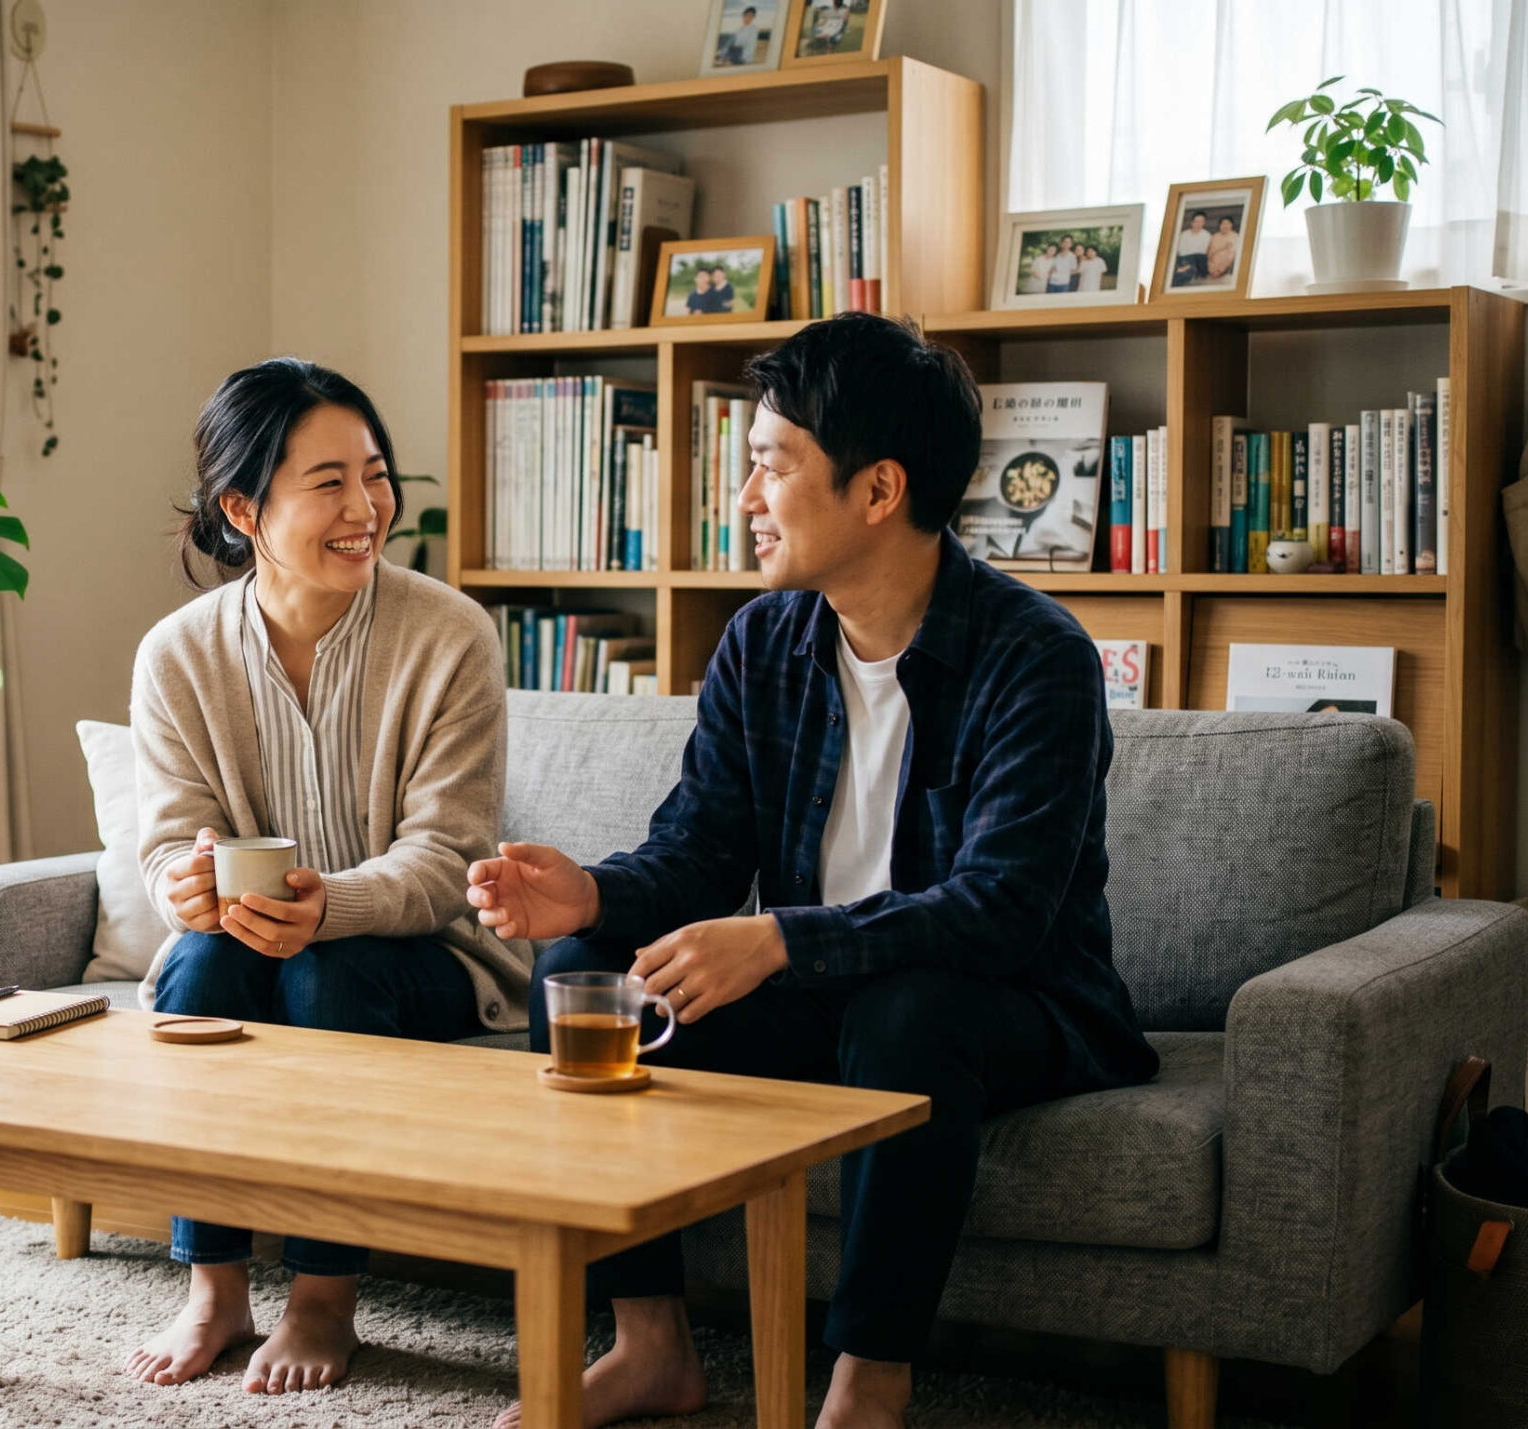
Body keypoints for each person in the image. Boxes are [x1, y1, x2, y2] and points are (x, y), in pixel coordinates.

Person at [471, 312, 1159, 1429]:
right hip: (822, 995)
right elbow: (697, 850)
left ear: (878, 491)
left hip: (1009, 1006)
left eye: (768, 467)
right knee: (592, 963)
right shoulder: (763, 643)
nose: (745, 499)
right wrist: (589, 895)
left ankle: (864, 1388)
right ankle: (648, 1347)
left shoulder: (1035, 657)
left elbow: (1001, 914)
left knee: (909, 1014)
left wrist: (785, 939)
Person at [124, 357, 531, 1397]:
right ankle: (213, 1289)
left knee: (327, 977)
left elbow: (448, 857)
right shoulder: (176, 655)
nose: (366, 508)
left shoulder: (449, 634)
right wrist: (186, 885)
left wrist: (331, 908)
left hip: (424, 952)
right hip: (242, 940)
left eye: (376, 475)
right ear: (241, 507)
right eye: (329, 482)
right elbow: (169, 841)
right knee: (195, 973)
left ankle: (322, 1298)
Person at [1171, 210, 1212, 286]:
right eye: (1197, 221)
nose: (1199, 224)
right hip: (1185, 259)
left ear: (1204, 223)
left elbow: (1205, 251)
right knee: (1186, 271)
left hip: (1200, 260)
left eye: (1201, 221)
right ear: (1192, 222)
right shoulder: (1184, 234)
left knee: (1198, 262)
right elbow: (1181, 251)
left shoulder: (1206, 235)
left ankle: (1189, 270)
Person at [1205, 214, 1239, 284]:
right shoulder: (1215, 236)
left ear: (1231, 225)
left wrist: (1220, 270)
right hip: (1212, 270)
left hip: (1226, 269)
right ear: (1220, 226)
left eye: (1227, 223)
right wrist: (1211, 269)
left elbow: (1231, 257)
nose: (1225, 226)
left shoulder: (1235, 237)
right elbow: (1209, 253)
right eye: (1223, 224)